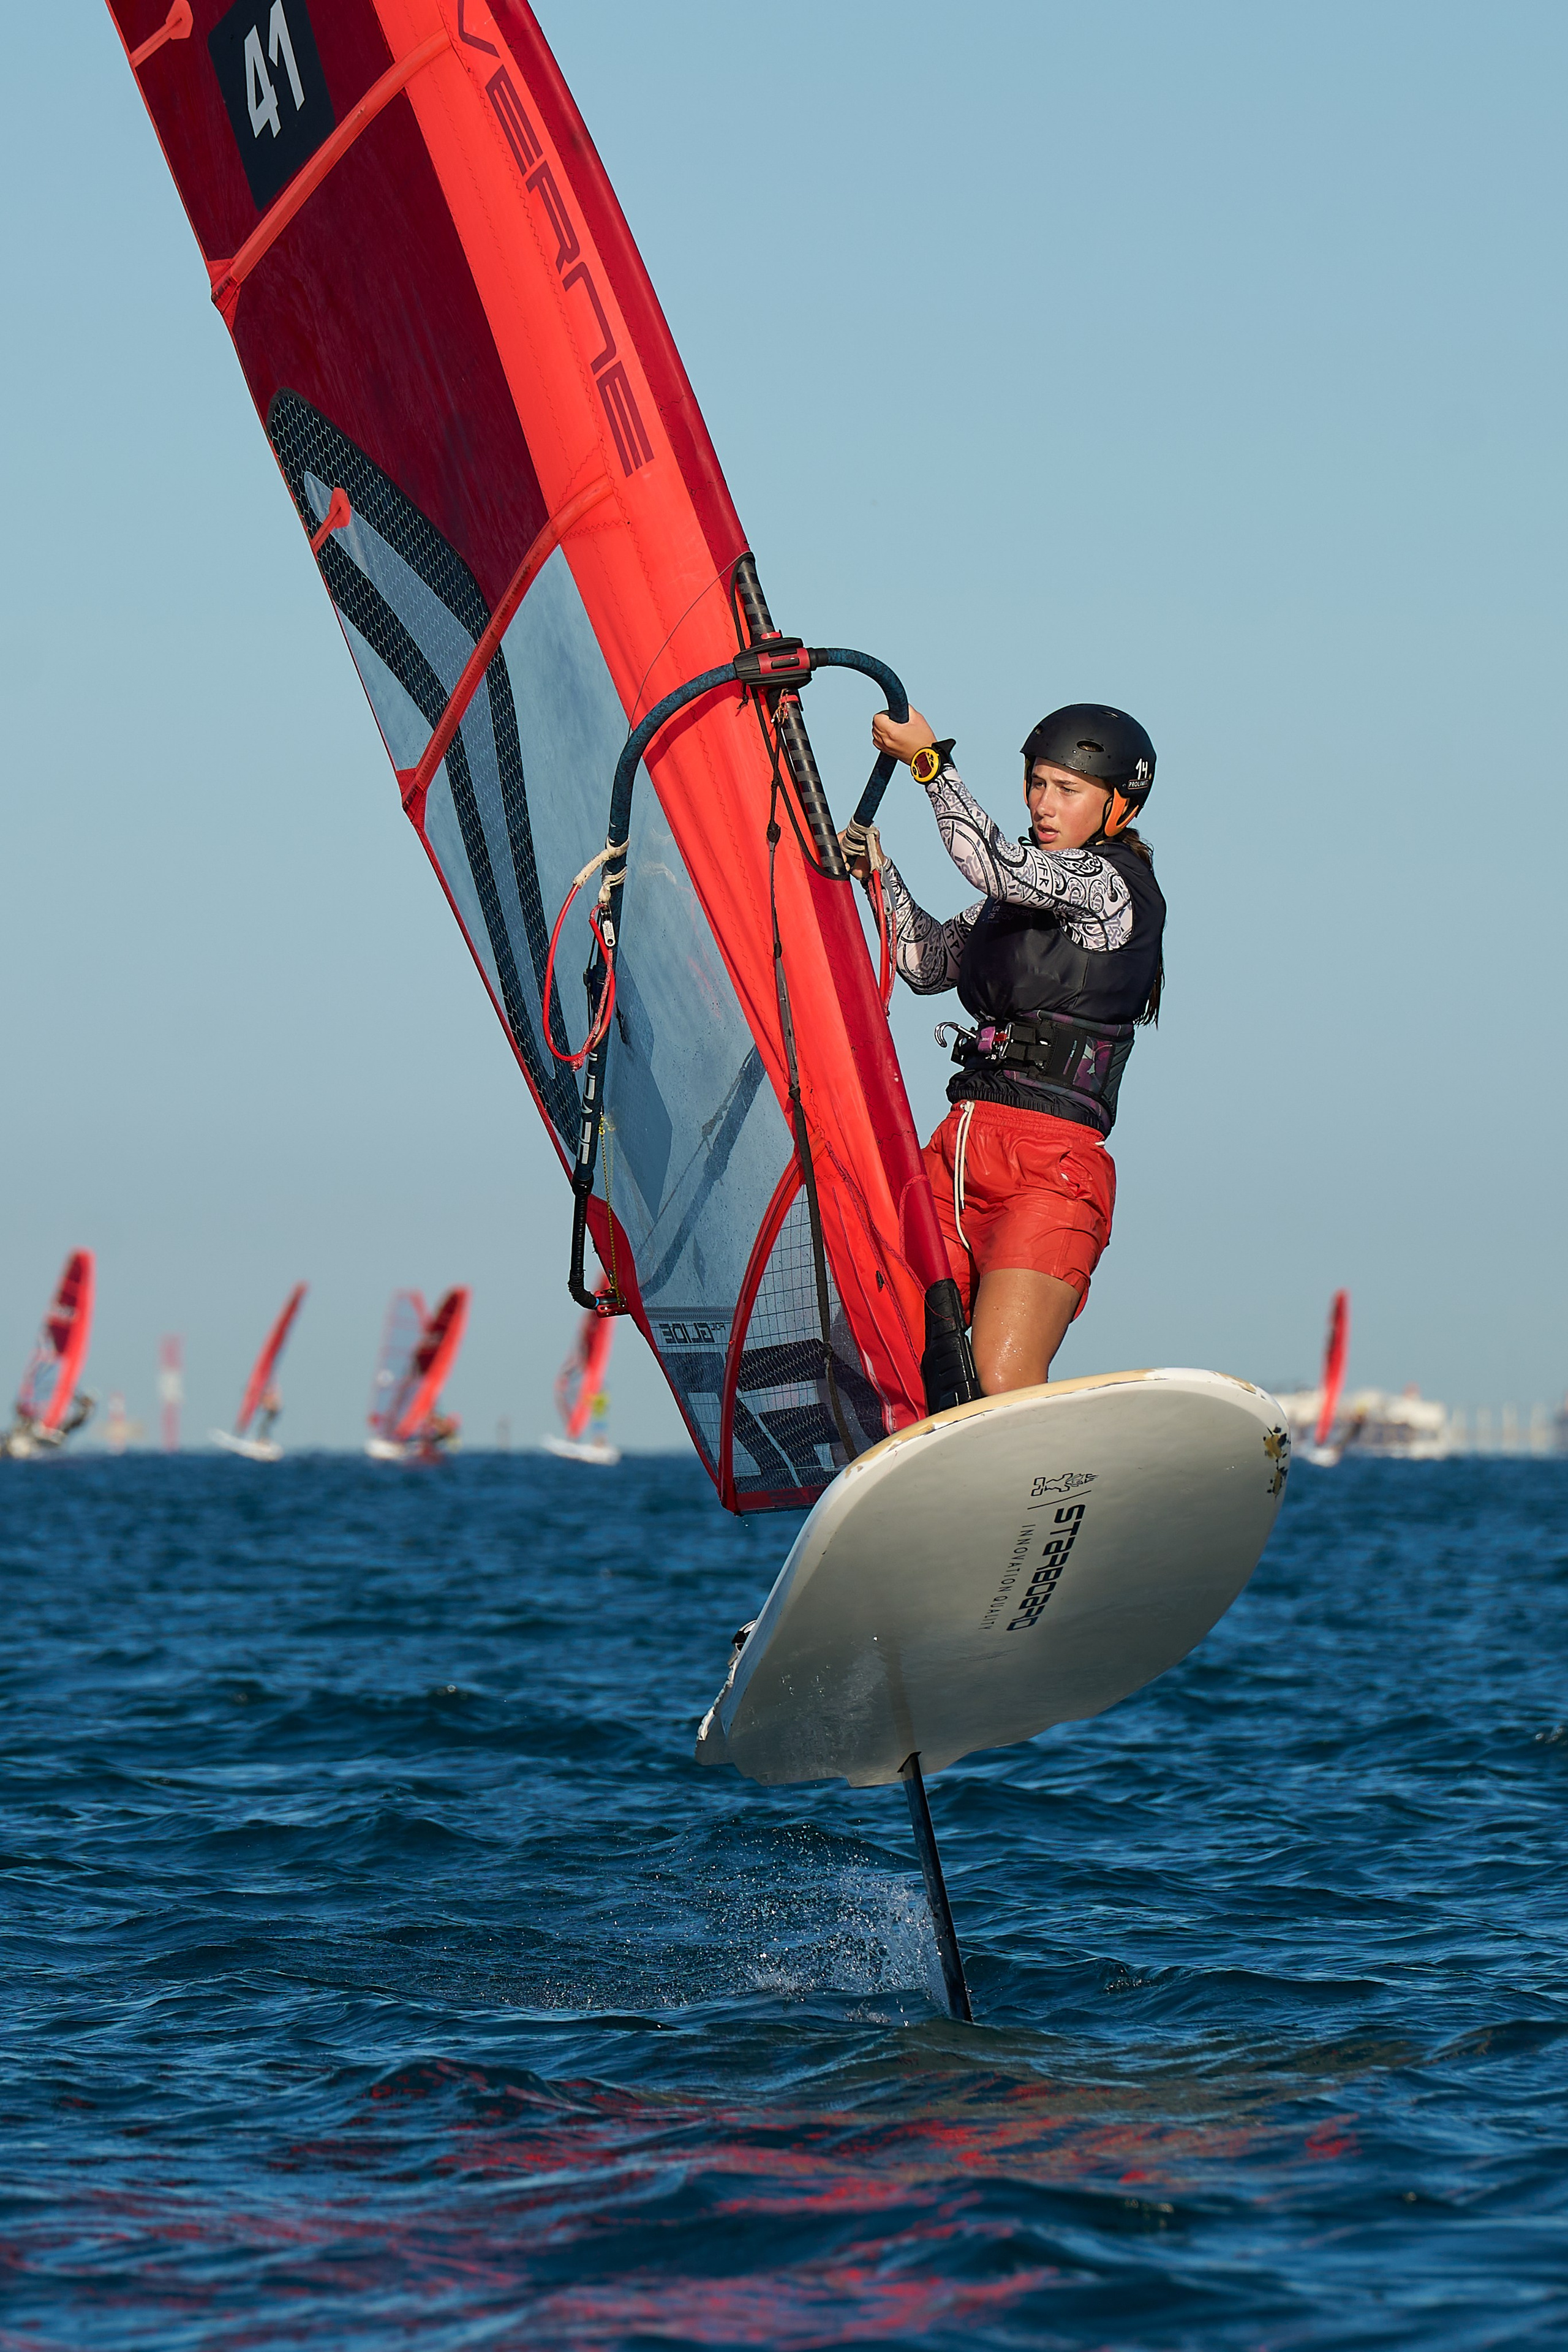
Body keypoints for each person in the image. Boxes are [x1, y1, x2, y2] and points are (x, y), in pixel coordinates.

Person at [842, 704, 1165, 1395]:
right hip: (958, 1152)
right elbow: (925, 964)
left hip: (1051, 1168)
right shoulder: (1010, 902)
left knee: (998, 1371)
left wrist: (928, 762)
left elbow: (991, 864)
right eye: (1037, 784)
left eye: (1068, 790)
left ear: (1119, 806)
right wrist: (877, 871)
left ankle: (1058, 1495)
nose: (1044, 805)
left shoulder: (1108, 889)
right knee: (896, 1354)